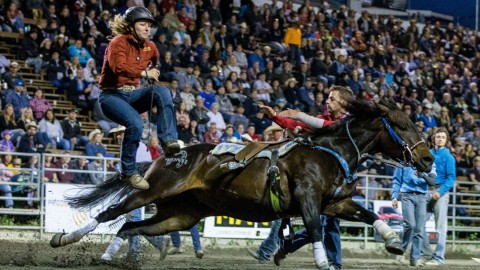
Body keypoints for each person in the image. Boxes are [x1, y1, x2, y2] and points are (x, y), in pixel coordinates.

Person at [250, 86, 354, 269]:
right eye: (328, 99)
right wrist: (275, 115)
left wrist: (299, 115)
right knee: (323, 224)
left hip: (338, 181)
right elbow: (296, 125)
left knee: (325, 224)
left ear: (343, 103)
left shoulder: (350, 123)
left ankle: (289, 247)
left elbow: (330, 127)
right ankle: (331, 263)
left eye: (331, 99)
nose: (326, 102)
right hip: (321, 182)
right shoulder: (324, 120)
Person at [98, 6, 180, 190]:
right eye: (142, 24)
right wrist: (145, 71)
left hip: (132, 93)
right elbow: (118, 67)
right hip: (111, 95)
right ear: (131, 26)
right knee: (136, 124)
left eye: (149, 25)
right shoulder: (118, 42)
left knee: (162, 91)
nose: (147, 28)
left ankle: (168, 141)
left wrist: (154, 69)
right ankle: (128, 173)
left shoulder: (150, 47)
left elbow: (155, 59)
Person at [101, 125, 169, 264]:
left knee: (133, 220)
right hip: (135, 185)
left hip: (135, 185)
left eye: (121, 133)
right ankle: (157, 243)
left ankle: (135, 253)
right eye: (118, 134)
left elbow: (139, 168)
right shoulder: (137, 146)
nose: (119, 136)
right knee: (133, 220)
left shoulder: (134, 146)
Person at [422, 127, 456, 266]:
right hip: (426, 191)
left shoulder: (449, 157)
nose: (440, 139)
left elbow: (451, 178)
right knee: (418, 224)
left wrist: (440, 192)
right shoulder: (427, 153)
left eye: (443, 137)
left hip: (440, 193)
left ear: (446, 140)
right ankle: (427, 254)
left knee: (440, 227)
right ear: (433, 139)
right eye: (438, 137)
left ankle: (439, 258)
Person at [391, 164, 436, 267]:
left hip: (422, 197)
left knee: (419, 228)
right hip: (407, 196)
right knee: (410, 225)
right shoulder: (403, 163)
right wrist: (394, 196)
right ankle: (402, 250)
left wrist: (423, 175)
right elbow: (397, 180)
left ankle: (415, 258)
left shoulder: (429, 163)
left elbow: (432, 181)